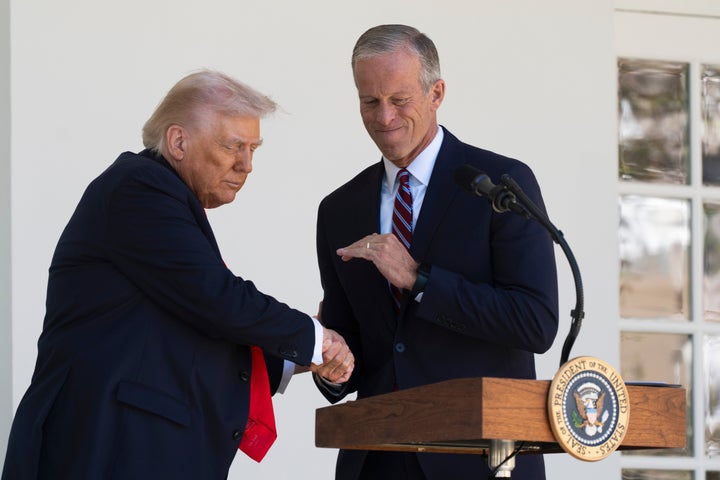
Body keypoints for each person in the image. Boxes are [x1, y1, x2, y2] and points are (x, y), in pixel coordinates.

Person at [1, 69, 354, 480]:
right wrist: (313, 338)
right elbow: (215, 298)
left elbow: (192, 335)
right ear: (178, 142)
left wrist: (303, 358)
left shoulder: (159, 198)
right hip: (101, 449)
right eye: (233, 146)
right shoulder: (138, 188)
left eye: (253, 149)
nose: (247, 165)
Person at [313, 24, 559, 479]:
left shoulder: (501, 185)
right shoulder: (338, 209)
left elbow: (535, 322)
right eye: (370, 101)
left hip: (483, 458)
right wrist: (330, 365)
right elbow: (353, 346)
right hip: (377, 458)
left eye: (399, 99)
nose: (384, 116)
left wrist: (418, 278)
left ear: (436, 93)